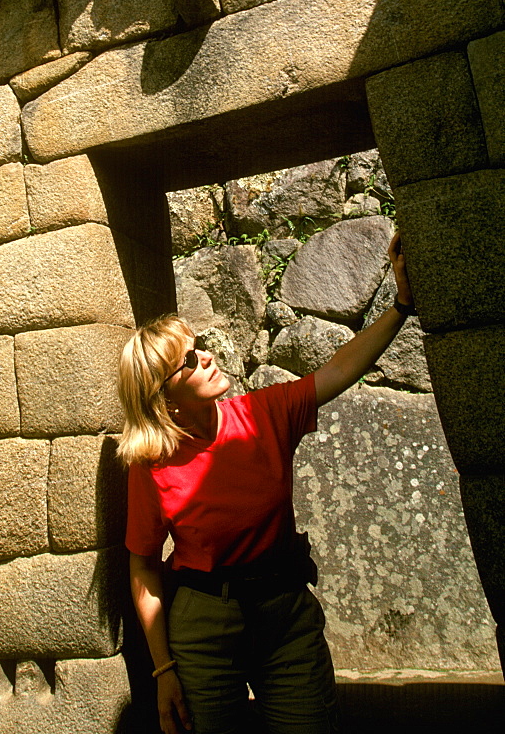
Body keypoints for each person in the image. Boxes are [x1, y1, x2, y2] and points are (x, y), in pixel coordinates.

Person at [118, 232, 415, 734]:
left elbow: (341, 367)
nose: (207, 358)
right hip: (204, 622)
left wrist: (402, 306)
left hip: (284, 613)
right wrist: (164, 671)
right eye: (187, 362)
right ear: (165, 400)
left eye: (199, 348)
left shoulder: (264, 414)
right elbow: (143, 565)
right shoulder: (152, 464)